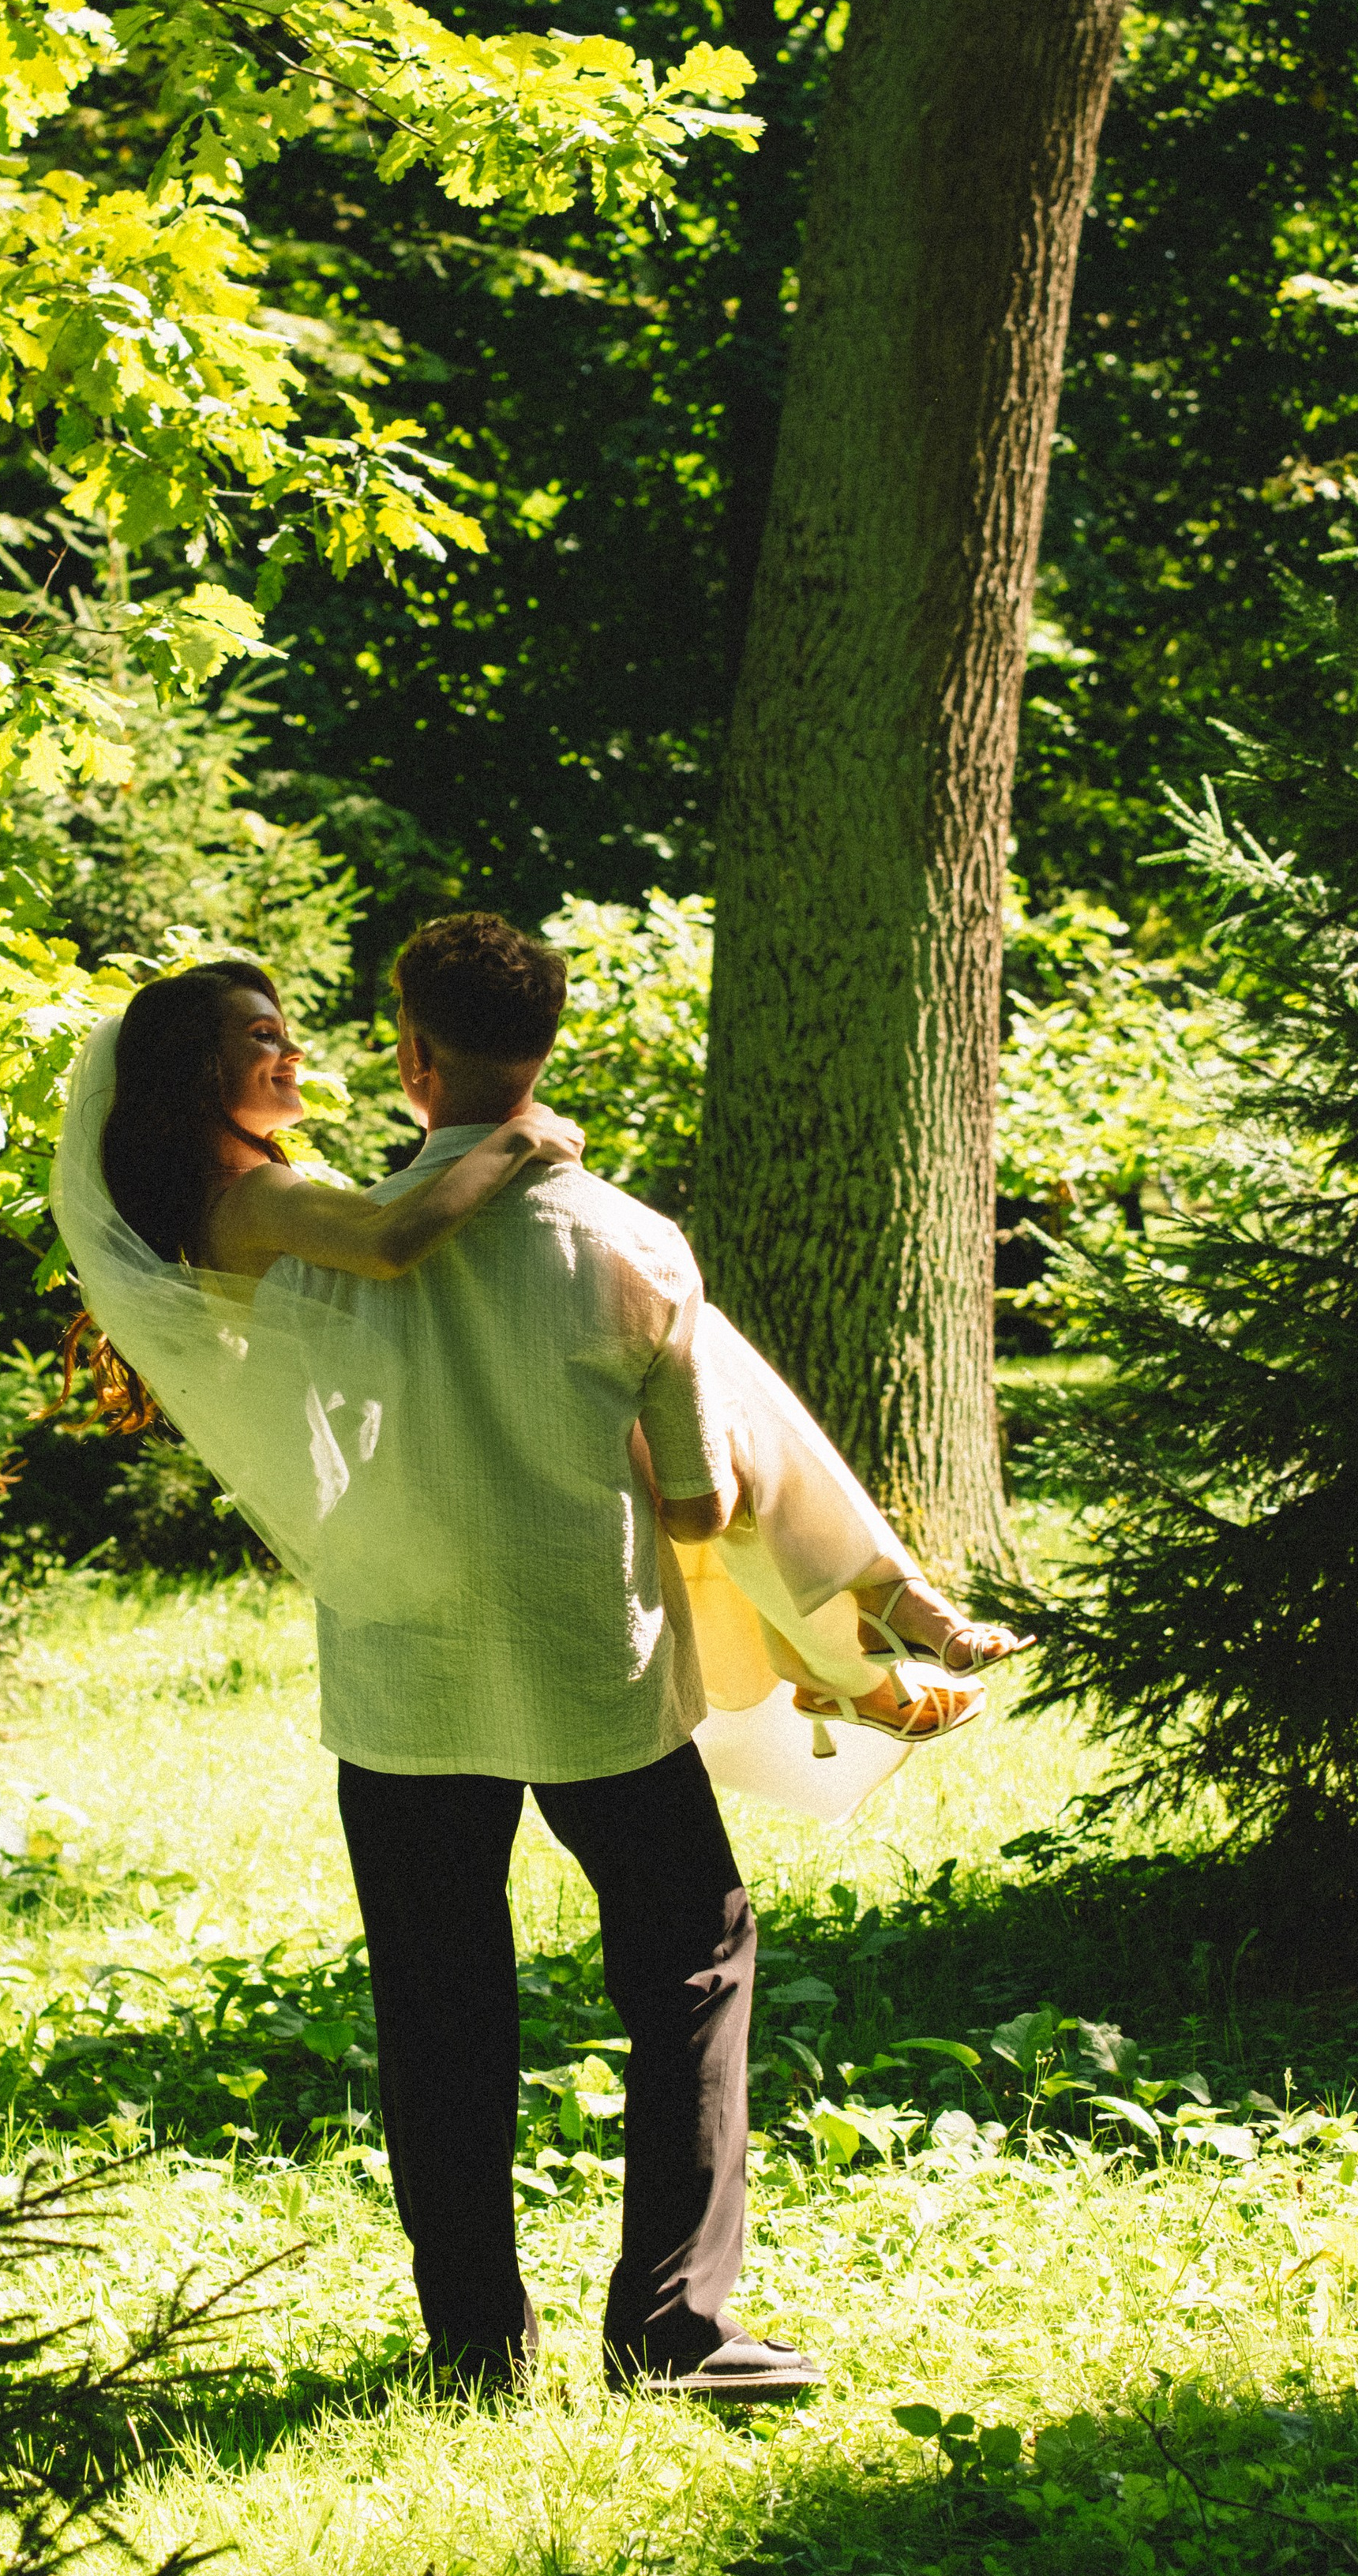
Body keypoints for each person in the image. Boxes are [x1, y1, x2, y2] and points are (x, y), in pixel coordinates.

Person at [51, 925, 1019, 2402]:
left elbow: (394, 1262)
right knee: (693, 1959)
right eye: (260, 1040)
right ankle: (671, 2327)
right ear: (545, 1048)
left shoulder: (299, 1232)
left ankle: (476, 2348)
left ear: (411, 1056)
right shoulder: (620, 1240)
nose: (289, 1054)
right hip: (587, 1658)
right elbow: (701, 1490)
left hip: (406, 1663)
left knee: (440, 2001)